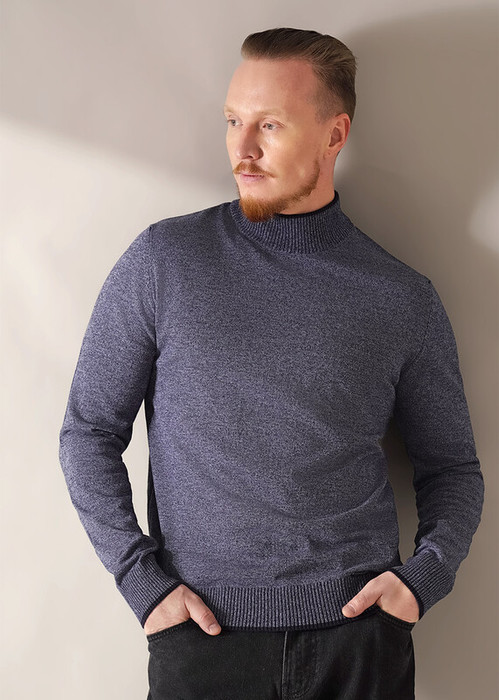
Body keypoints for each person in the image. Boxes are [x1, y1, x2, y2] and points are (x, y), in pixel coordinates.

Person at [59, 27, 484, 699]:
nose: (242, 148)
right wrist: (142, 582)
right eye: (233, 120)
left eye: (270, 125)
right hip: (202, 640)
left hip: (358, 645)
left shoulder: (400, 297)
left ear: (334, 135)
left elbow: (451, 467)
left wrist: (421, 580)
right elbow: (87, 432)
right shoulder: (165, 263)